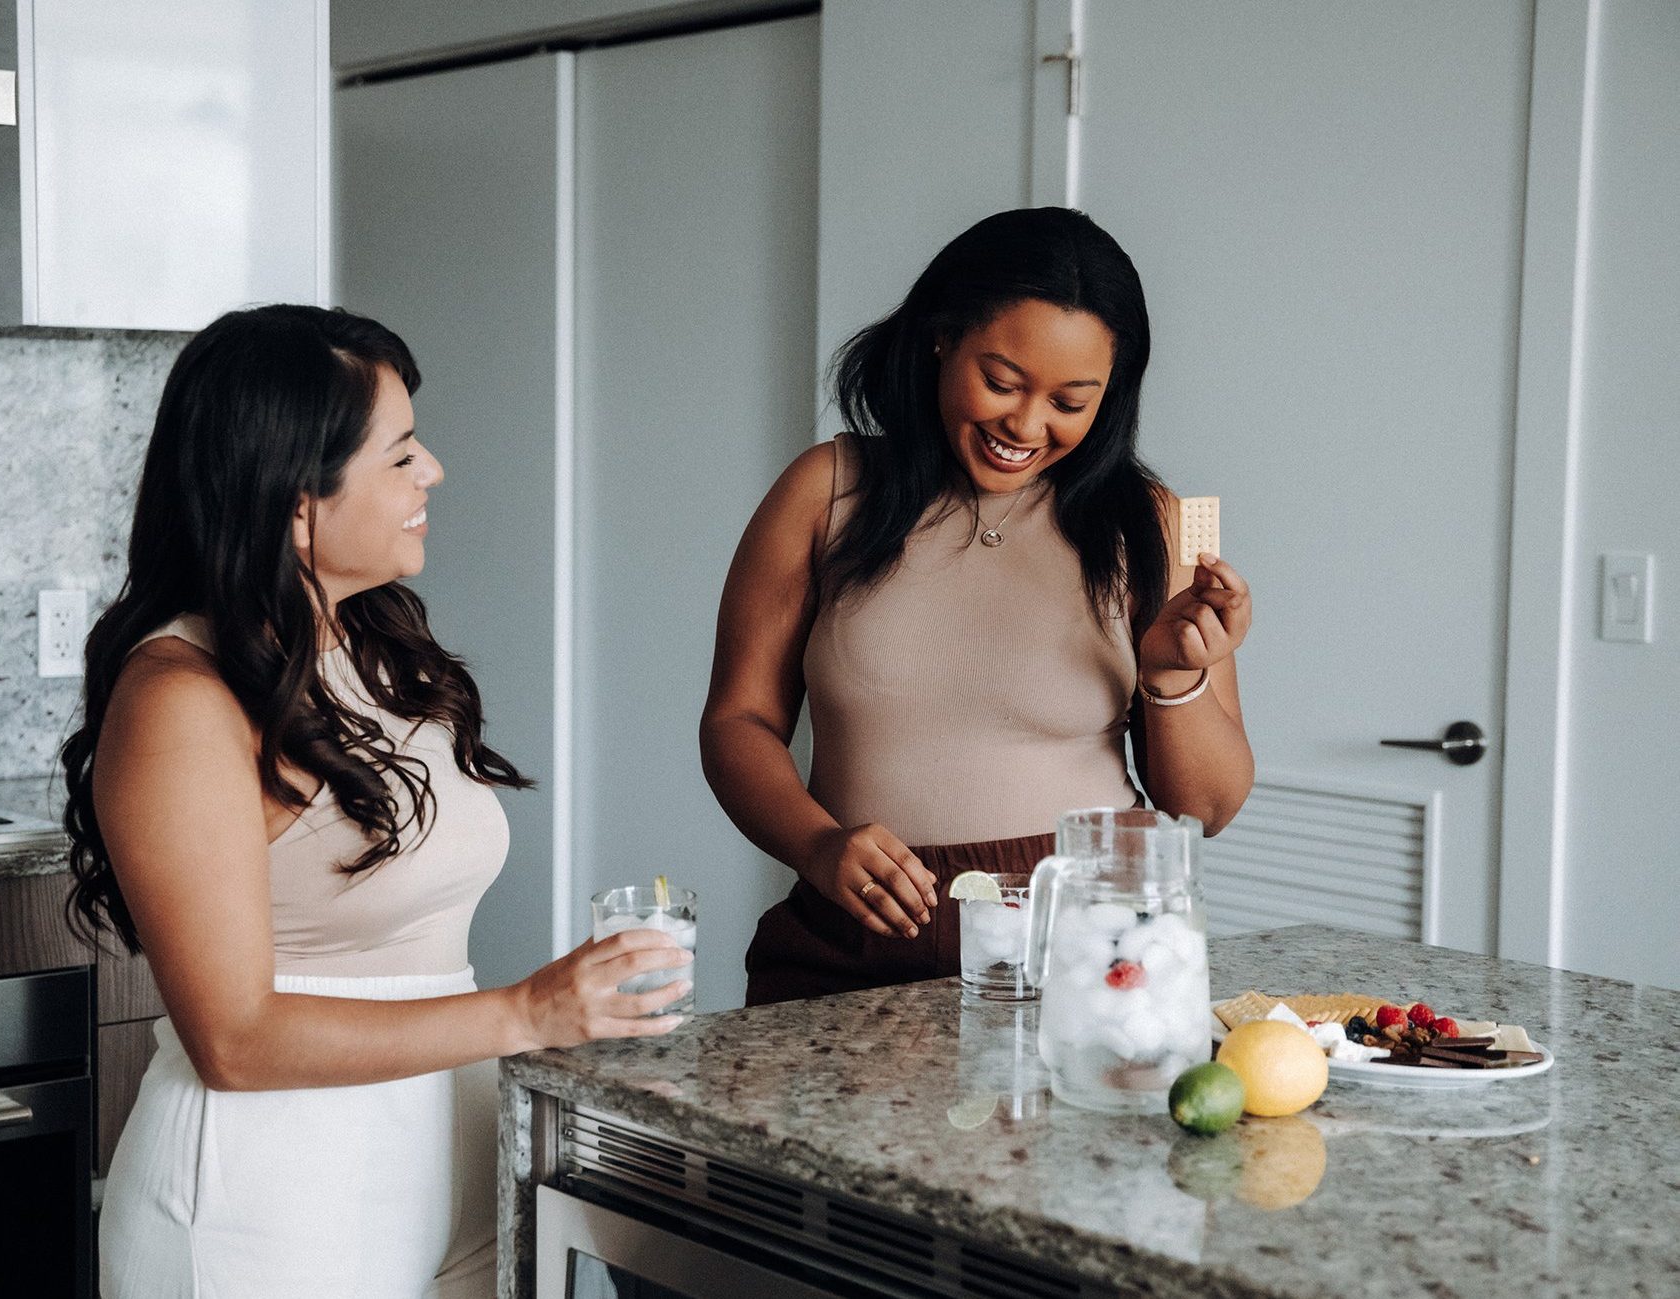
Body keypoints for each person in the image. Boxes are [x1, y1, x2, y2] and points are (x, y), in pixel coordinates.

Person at [62, 305, 691, 1298]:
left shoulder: (369, 647)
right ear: (297, 501)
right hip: (269, 1210)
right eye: (400, 455)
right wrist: (533, 1010)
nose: (431, 471)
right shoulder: (180, 701)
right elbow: (234, 1037)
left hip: (449, 1170)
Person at [700, 208, 1255, 1006]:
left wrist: (1173, 673)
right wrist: (819, 845)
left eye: (1071, 400)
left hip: (1092, 948)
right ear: (940, 336)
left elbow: (1202, 808)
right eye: (1000, 381)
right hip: (859, 937)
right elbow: (737, 722)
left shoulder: (1152, 522)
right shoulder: (825, 491)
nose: (1026, 425)